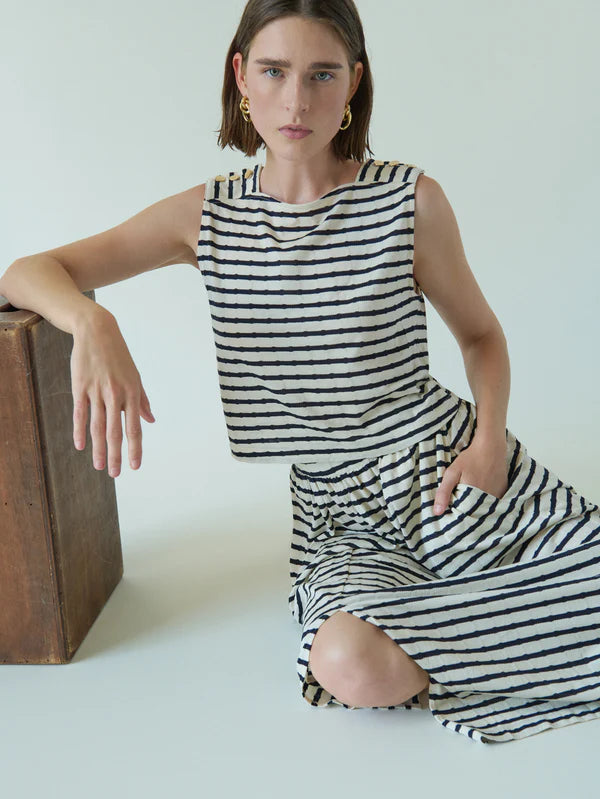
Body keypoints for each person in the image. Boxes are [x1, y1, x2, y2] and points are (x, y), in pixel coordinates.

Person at [2, 0, 600, 745]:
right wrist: (93, 319)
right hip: (338, 514)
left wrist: (488, 441)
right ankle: (532, 642)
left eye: (321, 75)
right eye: (275, 71)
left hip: (450, 473)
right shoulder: (208, 216)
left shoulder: (407, 199)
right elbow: (28, 270)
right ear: (241, 77)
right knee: (349, 664)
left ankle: (514, 630)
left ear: (353, 84)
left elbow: (480, 335)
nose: (296, 101)